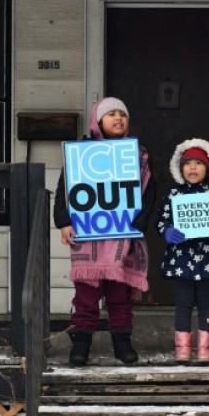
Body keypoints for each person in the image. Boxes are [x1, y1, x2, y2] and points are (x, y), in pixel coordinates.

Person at [53, 97, 157, 366]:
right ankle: (81, 346)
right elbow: (65, 190)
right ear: (97, 122)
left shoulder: (138, 155)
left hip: (123, 240)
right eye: (110, 114)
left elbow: (148, 193)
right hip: (89, 242)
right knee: (86, 298)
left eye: (122, 114)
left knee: (119, 298)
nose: (118, 118)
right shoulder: (82, 154)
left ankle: (122, 345)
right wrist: (64, 222)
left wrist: (139, 224)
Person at [156, 138, 209, 364]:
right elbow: (161, 221)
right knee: (183, 302)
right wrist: (167, 232)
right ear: (180, 168)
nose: (193, 167)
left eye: (199, 163)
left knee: (206, 302)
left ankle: (205, 348)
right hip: (182, 258)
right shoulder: (173, 195)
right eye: (188, 163)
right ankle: (182, 347)